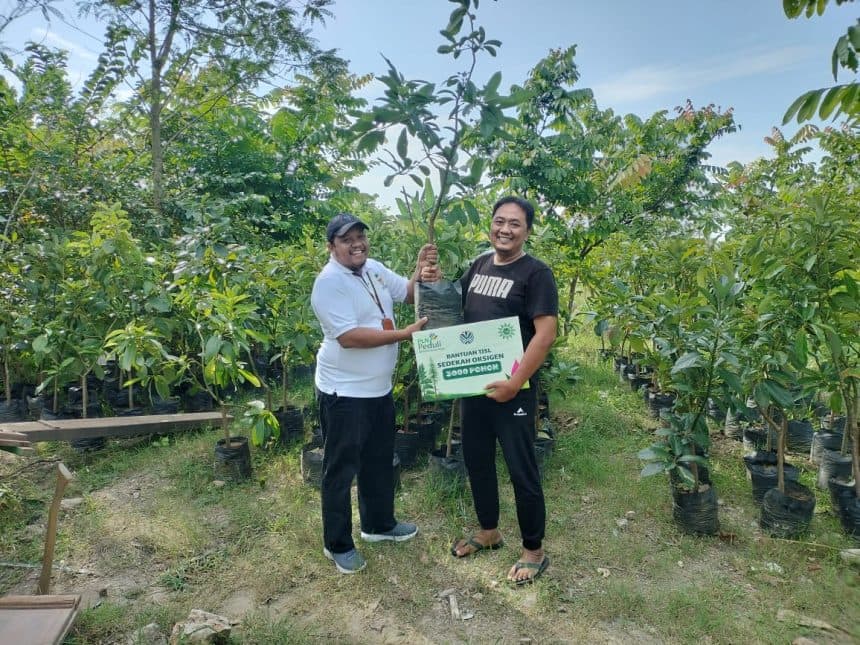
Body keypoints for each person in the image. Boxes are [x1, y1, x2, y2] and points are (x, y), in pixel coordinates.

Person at [311, 212, 439, 574]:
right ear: (332, 246)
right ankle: (336, 544)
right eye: (346, 239)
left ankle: (378, 525)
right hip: (344, 393)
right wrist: (403, 335)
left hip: (378, 389)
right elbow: (349, 338)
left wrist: (418, 268)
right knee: (340, 469)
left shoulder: (374, 269)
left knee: (379, 461)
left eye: (360, 237)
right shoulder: (329, 283)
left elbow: (409, 293)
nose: (356, 244)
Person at [450, 196, 558, 585]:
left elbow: (545, 334)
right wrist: (427, 280)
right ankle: (489, 530)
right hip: (475, 385)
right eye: (500, 221)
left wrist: (515, 383)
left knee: (520, 467)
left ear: (527, 231)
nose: (505, 229)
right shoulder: (479, 265)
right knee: (476, 459)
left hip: (515, 389)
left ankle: (534, 549)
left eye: (515, 223)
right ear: (490, 225)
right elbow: (455, 308)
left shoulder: (536, 273)